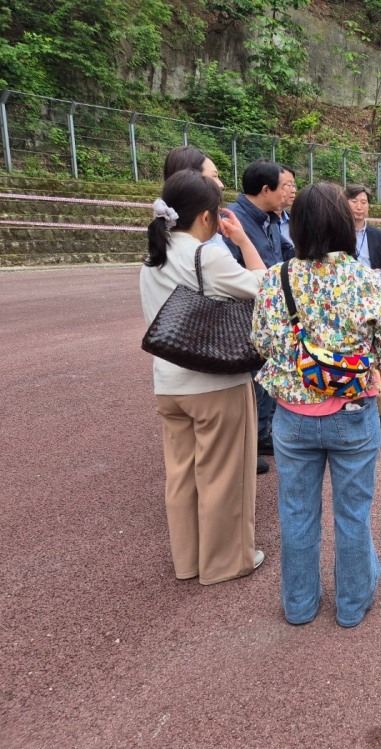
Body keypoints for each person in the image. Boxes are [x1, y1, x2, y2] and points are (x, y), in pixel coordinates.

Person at [251, 182, 381, 627]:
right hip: (353, 415)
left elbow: (261, 341)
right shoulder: (367, 281)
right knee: (353, 514)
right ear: (343, 224)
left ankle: (299, 606)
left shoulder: (276, 279)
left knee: (297, 514)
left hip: (292, 419)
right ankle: (351, 606)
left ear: (296, 225)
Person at [139, 170, 267, 584]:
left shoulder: (152, 257)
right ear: (209, 217)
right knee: (224, 475)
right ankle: (226, 562)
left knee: (181, 476)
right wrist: (244, 240)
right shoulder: (207, 255)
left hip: (168, 384)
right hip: (214, 382)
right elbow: (262, 286)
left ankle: (188, 561)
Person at [222, 159, 296, 463]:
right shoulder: (232, 218)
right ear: (266, 190)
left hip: (270, 311)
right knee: (250, 378)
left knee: (265, 374)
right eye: (286, 187)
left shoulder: (272, 217)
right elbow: (230, 272)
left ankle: (262, 434)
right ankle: (248, 442)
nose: (289, 192)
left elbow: (284, 252)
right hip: (244, 312)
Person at [345, 184, 381, 279]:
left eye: (364, 202)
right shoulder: (338, 233)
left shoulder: (378, 235)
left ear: (368, 206)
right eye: (354, 201)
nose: (359, 207)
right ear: (345, 204)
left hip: (372, 286)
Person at [278, 164, 297, 249]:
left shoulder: (294, 222)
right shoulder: (261, 223)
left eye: (294, 185)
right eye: (289, 185)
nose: (294, 190)